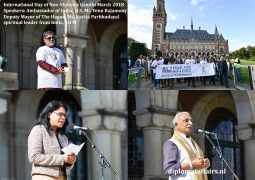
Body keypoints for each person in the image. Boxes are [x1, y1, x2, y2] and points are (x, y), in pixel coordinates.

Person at [28, 100, 76, 180]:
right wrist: (62, 158)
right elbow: (34, 157)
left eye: (64, 115)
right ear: (49, 114)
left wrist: (69, 161)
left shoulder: (63, 137)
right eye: (60, 114)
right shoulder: (38, 130)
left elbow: (64, 164)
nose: (63, 118)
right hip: (43, 177)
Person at [163, 112, 210, 180]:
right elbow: (168, 170)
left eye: (191, 121)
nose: (190, 123)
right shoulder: (172, 143)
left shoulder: (194, 144)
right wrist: (191, 164)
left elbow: (197, 165)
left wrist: (205, 164)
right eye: (186, 120)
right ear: (176, 125)